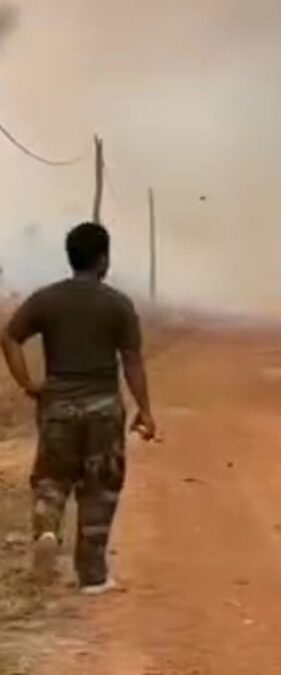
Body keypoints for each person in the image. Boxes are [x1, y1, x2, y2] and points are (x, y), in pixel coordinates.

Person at [0, 222, 157, 593]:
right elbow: (132, 360)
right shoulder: (117, 303)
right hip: (103, 407)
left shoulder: (47, 299)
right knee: (100, 488)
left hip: (57, 404)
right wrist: (145, 409)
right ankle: (92, 576)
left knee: (52, 478)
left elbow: (9, 336)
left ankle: (48, 530)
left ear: (70, 257)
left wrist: (28, 384)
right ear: (104, 259)